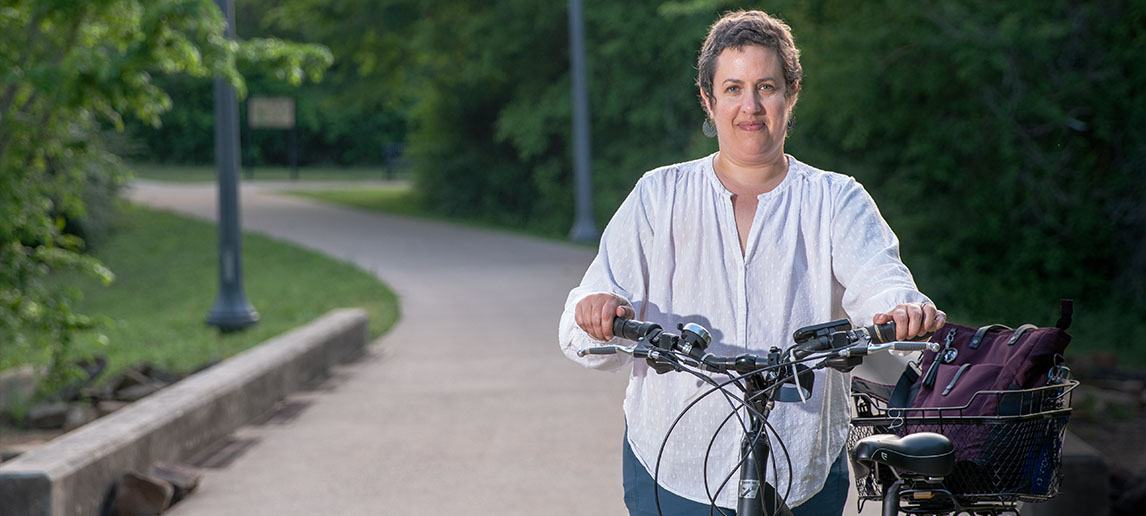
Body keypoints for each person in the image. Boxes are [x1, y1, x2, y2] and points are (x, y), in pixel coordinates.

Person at [557, 9, 946, 516]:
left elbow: (881, 282)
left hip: (800, 458)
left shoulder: (836, 199)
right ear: (709, 98)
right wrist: (598, 312)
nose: (751, 106)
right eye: (734, 88)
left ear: (792, 94)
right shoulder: (659, 195)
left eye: (766, 86)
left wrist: (903, 313)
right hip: (672, 458)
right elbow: (589, 313)